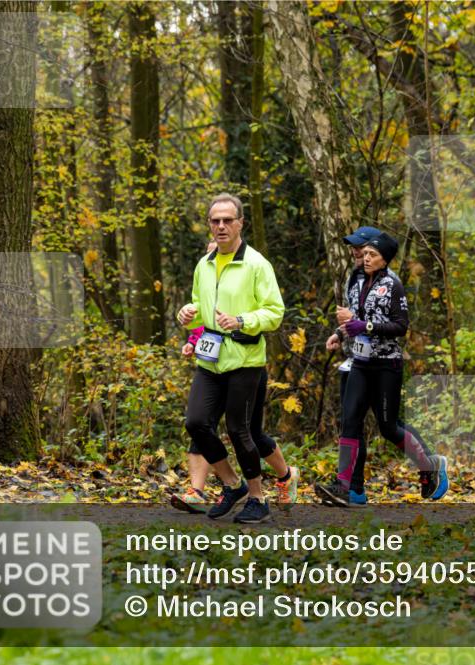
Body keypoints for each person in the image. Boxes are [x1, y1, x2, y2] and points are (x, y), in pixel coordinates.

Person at [177, 193, 286, 523]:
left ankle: (258, 498)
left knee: (240, 430)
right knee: (196, 422)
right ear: (209, 225)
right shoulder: (204, 264)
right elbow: (200, 308)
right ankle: (231, 484)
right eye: (215, 221)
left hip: (244, 359)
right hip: (210, 359)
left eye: (227, 220)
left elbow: (275, 312)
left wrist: (242, 321)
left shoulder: (256, 264)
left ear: (240, 223)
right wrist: (188, 315)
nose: (221, 226)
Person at [315, 232, 445, 507]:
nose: (362, 257)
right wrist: (340, 332)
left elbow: (400, 326)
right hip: (359, 363)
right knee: (350, 420)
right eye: (363, 254)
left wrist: (364, 326)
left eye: (369, 253)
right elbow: (354, 314)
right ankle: (345, 485)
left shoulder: (392, 284)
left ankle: (428, 464)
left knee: (387, 426)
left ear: (383, 257)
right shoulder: (356, 278)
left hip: (386, 364)